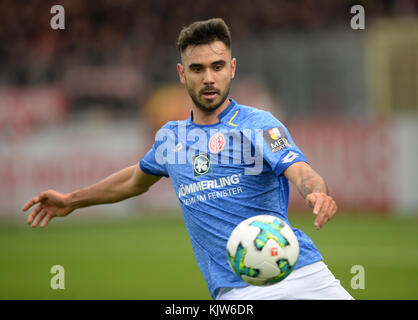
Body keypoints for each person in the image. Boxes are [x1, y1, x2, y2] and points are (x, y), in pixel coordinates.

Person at [22, 18, 353, 300]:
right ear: (182, 73)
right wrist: (72, 200)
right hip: (240, 290)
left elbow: (299, 170)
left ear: (232, 69)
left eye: (217, 66)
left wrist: (316, 192)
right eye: (197, 68)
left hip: (302, 272)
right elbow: (134, 180)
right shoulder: (171, 138)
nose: (208, 77)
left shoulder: (259, 124)